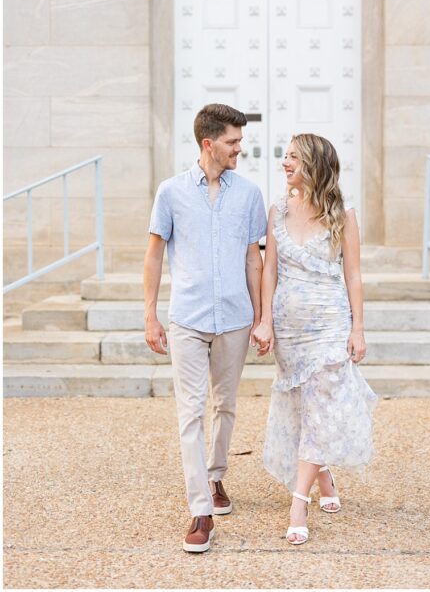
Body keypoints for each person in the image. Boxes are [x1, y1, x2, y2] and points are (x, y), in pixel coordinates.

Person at [144, 103, 268, 553]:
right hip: (189, 319)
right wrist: (149, 313)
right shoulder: (171, 192)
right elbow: (155, 253)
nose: (240, 148)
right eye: (234, 141)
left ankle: (216, 477)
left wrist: (260, 318)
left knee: (227, 405)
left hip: (234, 318)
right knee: (190, 413)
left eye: (240, 141)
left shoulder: (250, 194)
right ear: (208, 143)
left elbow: (254, 258)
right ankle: (200, 511)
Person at [253, 133, 377, 545]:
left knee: (322, 403)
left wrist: (358, 327)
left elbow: (354, 274)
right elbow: (269, 270)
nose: (285, 163)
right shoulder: (277, 211)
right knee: (304, 408)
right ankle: (325, 480)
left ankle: (298, 500)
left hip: (329, 325)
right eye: (284, 156)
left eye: (293, 157)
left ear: (315, 164)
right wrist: (264, 320)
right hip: (289, 328)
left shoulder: (343, 214)